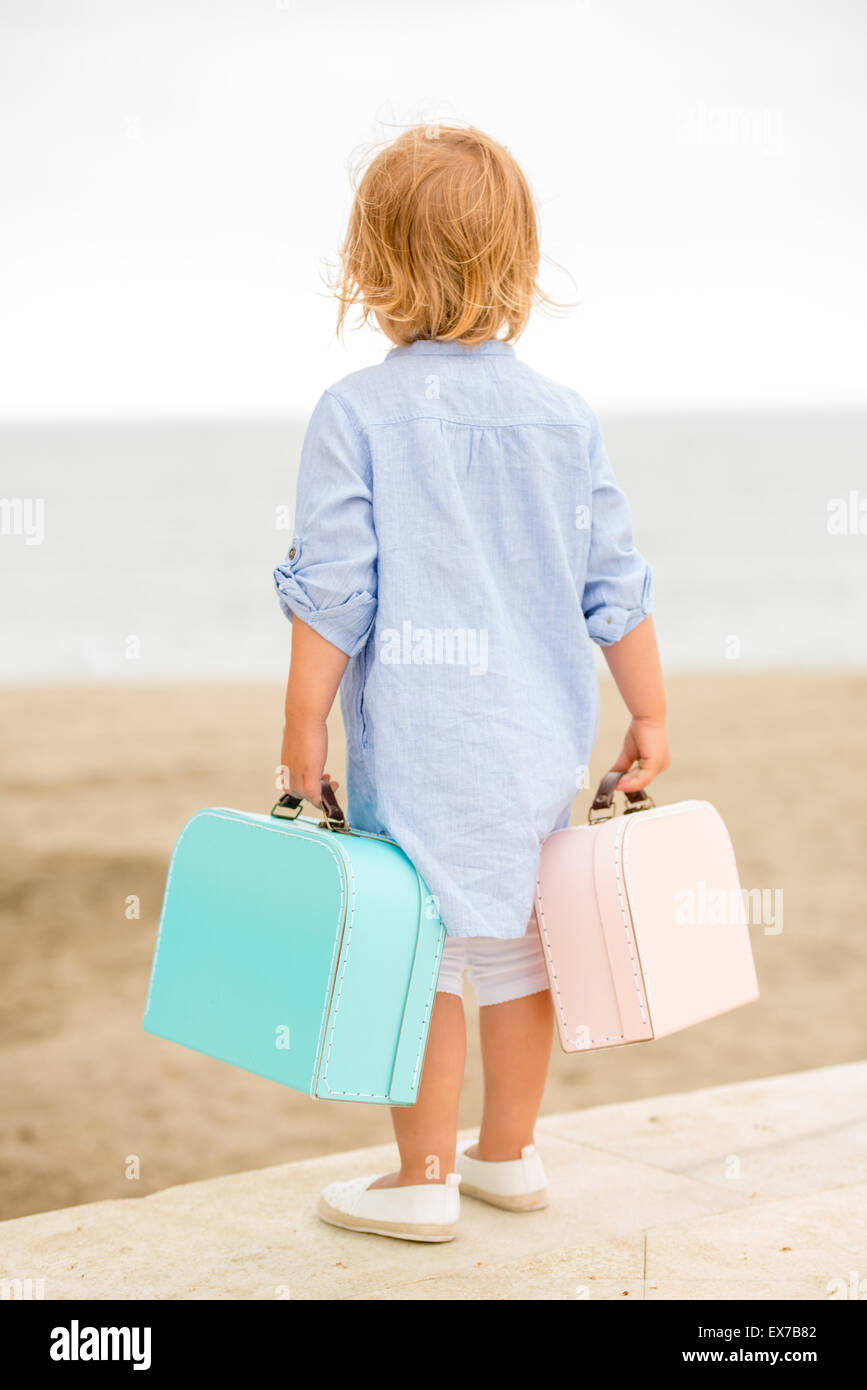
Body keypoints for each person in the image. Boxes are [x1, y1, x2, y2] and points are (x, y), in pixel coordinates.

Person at [274, 124, 669, 1242]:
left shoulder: (356, 413)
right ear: (518, 263)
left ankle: (425, 1175)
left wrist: (303, 726)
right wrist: (650, 709)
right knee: (520, 945)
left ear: (374, 264)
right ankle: (511, 1155)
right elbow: (615, 584)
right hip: (543, 737)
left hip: (424, 740)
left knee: (427, 950)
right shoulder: (563, 416)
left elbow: (333, 594)